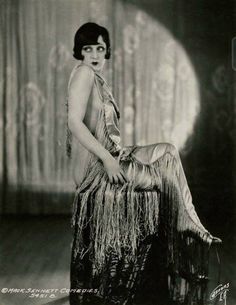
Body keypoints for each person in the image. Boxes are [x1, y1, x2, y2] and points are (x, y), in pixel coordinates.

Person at [67, 22, 221, 305]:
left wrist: (119, 155)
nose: (94, 54)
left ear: (107, 50)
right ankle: (186, 224)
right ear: (80, 52)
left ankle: (189, 220)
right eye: (87, 48)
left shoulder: (97, 79)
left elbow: (105, 131)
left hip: (113, 154)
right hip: (96, 168)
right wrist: (107, 161)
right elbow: (74, 124)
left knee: (168, 151)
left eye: (100, 48)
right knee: (156, 178)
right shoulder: (84, 73)